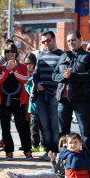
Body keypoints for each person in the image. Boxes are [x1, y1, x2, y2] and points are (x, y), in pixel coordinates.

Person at [52, 30, 90, 157]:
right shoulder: (63, 56)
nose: (71, 42)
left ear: (80, 40)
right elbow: (54, 75)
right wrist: (64, 77)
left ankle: (86, 158)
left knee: (85, 131)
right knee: (63, 131)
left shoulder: (88, 56)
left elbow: (88, 77)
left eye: (73, 40)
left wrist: (72, 76)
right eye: (68, 41)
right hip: (63, 99)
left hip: (81, 99)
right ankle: (64, 157)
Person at [0, 41, 33, 161]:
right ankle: (8, 152)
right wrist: (6, 70)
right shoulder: (0, 67)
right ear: (4, 53)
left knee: (22, 127)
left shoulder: (23, 67)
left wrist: (14, 69)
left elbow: (25, 79)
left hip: (19, 101)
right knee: (5, 127)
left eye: (12, 51)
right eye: (7, 51)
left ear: (16, 53)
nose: (10, 53)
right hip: (3, 101)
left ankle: (27, 151)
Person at [34, 31, 64, 161]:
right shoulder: (41, 55)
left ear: (54, 39)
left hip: (54, 95)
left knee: (55, 127)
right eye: (43, 42)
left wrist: (59, 89)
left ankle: (56, 152)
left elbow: (64, 76)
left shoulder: (62, 55)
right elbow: (35, 73)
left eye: (48, 40)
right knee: (45, 126)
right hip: (41, 95)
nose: (46, 43)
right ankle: (48, 151)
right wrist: (36, 83)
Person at [24, 53, 46, 153]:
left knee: (43, 130)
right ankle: (35, 145)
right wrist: (32, 78)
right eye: (26, 64)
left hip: (41, 109)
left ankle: (43, 146)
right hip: (33, 110)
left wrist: (35, 78)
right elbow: (26, 84)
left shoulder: (40, 80)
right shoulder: (31, 89)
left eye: (29, 63)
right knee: (33, 129)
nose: (27, 66)